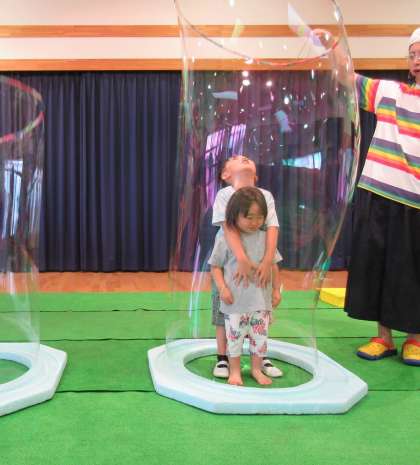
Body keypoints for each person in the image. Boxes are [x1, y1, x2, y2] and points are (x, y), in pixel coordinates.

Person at [316, 27, 420, 365]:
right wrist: (332, 45)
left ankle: (415, 338)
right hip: (377, 192)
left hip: (415, 201)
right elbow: (347, 77)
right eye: (413, 54)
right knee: (376, 265)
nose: (417, 60)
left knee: (411, 270)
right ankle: (383, 337)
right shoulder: (388, 91)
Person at [210, 155, 283, 378]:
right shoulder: (224, 194)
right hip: (231, 263)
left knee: (258, 314)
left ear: (256, 175)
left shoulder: (265, 195)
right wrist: (242, 259)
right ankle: (223, 358)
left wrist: (267, 260)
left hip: (259, 259)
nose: (242, 156)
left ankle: (259, 357)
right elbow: (228, 227)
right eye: (235, 158)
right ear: (225, 174)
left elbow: (272, 227)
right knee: (224, 314)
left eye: (247, 158)